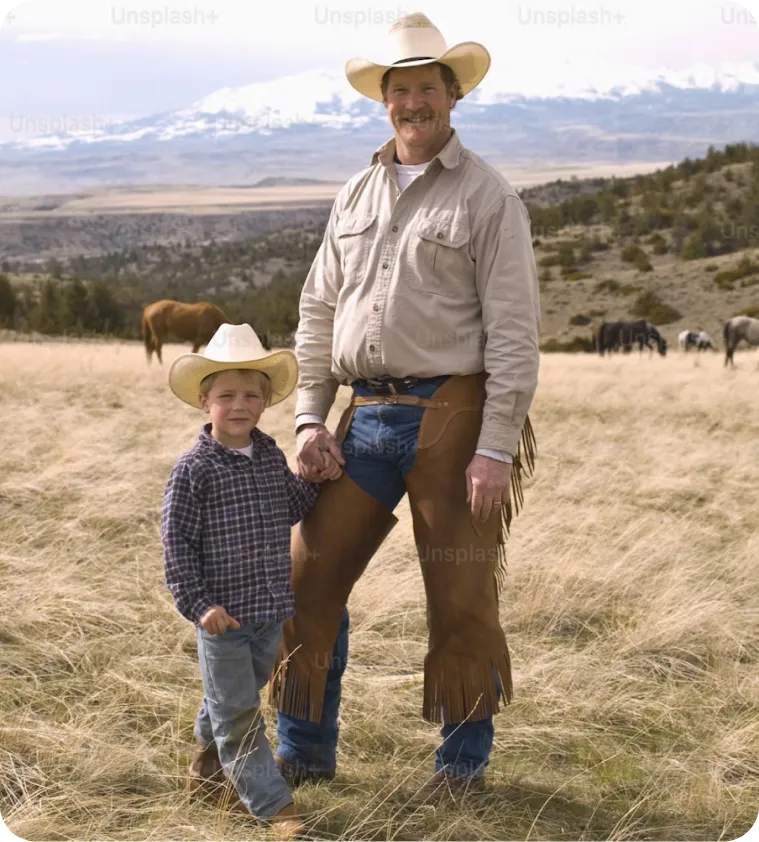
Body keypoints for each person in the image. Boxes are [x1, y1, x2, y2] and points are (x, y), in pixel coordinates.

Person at [266, 11, 542, 796]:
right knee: (304, 580)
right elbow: (317, 311)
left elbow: (515, 334)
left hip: (452, 417)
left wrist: (495, 447)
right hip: (360, 416)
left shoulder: (489, 198)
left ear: (452, 96)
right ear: (382, 100)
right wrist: (311, 417)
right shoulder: (355, 191)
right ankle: (305, 750)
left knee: (459, 593)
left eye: (427, 87)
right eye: (400, 90)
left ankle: (461, 771)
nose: (413, 101)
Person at [161, 322, 323, 838]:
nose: (239, 405)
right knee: (239, 712)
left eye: (251, 394)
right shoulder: (193, 470)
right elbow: (177, 544)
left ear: (265, 401)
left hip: (269, 611)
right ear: (204, 401)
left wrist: (315, 478)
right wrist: (199, 604)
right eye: (226, 395)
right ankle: (274, 807)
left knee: (231, 695)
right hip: (222, 616)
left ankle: (204, 772)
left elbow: (291, 507)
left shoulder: (271, 457)